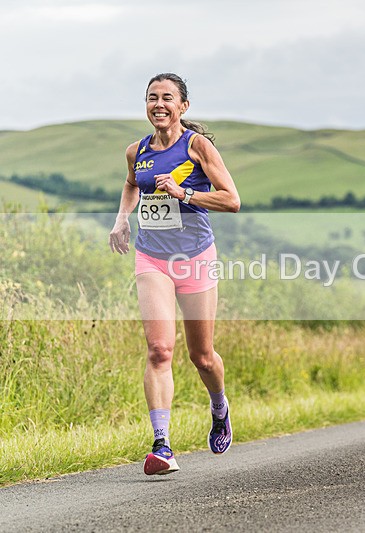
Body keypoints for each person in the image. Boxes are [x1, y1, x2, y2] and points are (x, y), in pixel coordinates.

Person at [109, 73, 241, 475]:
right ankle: (162, 445)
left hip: (195, 256)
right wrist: (122, 220)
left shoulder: (197, 146)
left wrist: (184, 193)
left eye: (168, 98)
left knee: (201, 356)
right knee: (159, 349)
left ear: (183, 106)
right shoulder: (137, 151)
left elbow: (232, 200)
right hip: (152, 258)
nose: (159, 104)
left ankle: (219, 407)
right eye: (152, 98)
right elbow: (132, 184)